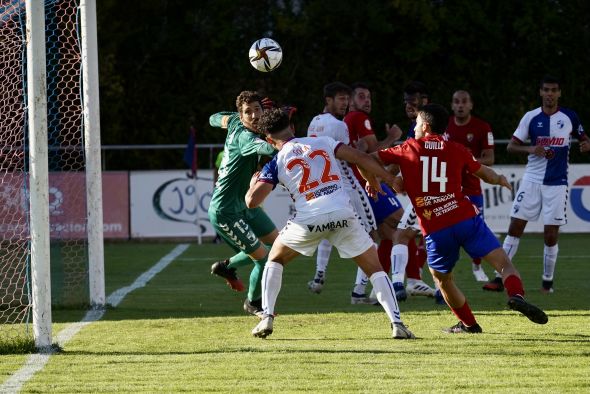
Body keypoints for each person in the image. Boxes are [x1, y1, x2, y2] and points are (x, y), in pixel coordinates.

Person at [368, 103, 548, 333]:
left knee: (443, 281)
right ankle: (516, 295)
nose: (413, 128)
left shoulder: (408, 148)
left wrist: (377, 179)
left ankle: (469, 324)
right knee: (504, 264)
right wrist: (500, 179)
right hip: (465, 219)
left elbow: (368, 158)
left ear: (425, 125)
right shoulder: (457, 149)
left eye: (416, 124)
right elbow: (485, 172)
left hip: (435, 228)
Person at [247, 108, 414, 339]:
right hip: (342, 213)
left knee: (274, 259)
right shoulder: (324, 142)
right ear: (293, 128)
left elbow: (253, 202)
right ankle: (397, 324)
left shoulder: (276, 162)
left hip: (308, 219)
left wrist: (253, 184)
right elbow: (362, 158)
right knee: (374, 268)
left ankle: (267, 317)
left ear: (268, 139)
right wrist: (387, 180)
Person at [483, 75, 590, 293]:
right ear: (541, 93)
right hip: (531, 180)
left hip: (557, 183)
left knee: (551, 234)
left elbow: (584, 138)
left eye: (554, 90)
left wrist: (586, 144)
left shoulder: (570, 117)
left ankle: (547, 282)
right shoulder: (530, 117)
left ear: (559, 93)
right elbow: (511, 147)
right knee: (514, 227)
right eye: (546, 90)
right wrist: (532, 149)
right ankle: (499, 277)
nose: (550, 94)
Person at [208, 91, 279, 317]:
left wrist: (229, 118)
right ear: (242, 115)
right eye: (248, 112)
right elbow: (268, 149)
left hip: (245, 206)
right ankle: (253, 302)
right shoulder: (246, 138)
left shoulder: (235, 121)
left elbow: (214, 117)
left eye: (258, 109)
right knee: (264, 258)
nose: (254, 115)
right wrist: (283, 134)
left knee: (277, 247)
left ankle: (227, 266)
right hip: (226, 211)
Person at [305, 82, 377, 295]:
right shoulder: (340, 125)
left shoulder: (313, 122)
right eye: (341, 99)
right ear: (328, 100)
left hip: (325, 186)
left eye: (347, 99)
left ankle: (319, 276)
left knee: (329, 230)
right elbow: (350, 156)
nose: (345, 104)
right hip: (348, 185)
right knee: (371, 234)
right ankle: (359, 290)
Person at [342, 82, 407, 304]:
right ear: (351, 102)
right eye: (361, 96)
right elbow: (371, 150)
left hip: (358, 184)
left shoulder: (348, 121)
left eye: (368, 96)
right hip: (367, 182)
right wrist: (392, 138)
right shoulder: (358, 118)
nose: (366, 100)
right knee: (406, 225)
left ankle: (362, 292)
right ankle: (401, 283)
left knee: (381, 236)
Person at [389, 81, 437, 302]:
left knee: (399, 235)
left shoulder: (421, 129)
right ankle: (435, 289)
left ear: (424, 101)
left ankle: (397, 284)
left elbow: (404, 157)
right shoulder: (434, 127)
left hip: (426, 196)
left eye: (413, 99)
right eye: (406, 99)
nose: (408, 103)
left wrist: (387, 176)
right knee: (436, 240)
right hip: (444, 195)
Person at [446, 90, 495, 282]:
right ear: (452, 105)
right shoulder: (445, 126)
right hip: (448, 189)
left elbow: (490, 158)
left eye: (464, 102)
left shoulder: (482, 127)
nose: (460, 105)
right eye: (456, 102)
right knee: (446, 231)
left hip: (473, 188)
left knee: (476, 230)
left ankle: (477, 266)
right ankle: (444, 271)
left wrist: (467, 160)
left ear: (471, 105)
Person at [212, 149, 225, 244]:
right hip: (223, 187)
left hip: (236, 187)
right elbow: (216, 168)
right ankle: (218, 236)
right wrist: (215, 183)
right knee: (219, 211)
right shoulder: (221, 154)